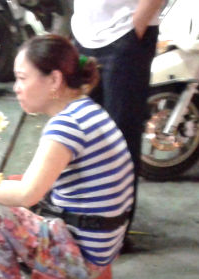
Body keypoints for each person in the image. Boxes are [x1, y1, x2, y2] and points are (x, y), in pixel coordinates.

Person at [0, 34, 134, 279]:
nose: (17, 88)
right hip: (106, 243)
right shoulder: (88, 109)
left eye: (22, 78)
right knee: (4, 189)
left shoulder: (66, 126)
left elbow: (28, 195)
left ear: (54, 80)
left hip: (82, 256)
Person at [71, 0, 166, 233]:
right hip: (84, 34)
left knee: (120, 138)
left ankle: (115, 229)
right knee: (83, 132)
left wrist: (134, 30)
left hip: (124, 36)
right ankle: (85, 219)